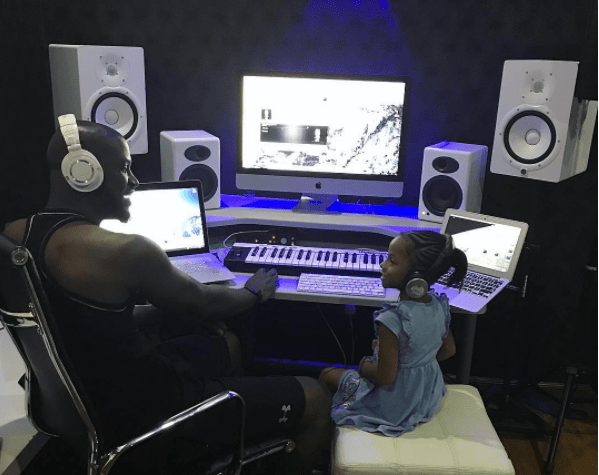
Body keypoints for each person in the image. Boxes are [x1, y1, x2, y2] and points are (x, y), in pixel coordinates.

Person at [1, 117, 330, 474]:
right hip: (148, 419)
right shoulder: (124, 251)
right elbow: (204, 303)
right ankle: (199, 442)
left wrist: (162, 309)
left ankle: (229, 446)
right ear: (84, 172)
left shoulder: (16, 236)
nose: (134, 181)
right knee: (315, 397)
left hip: (93, 403)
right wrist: (253, 292)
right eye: (124, 168)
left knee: (228, 345)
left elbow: (80, 321)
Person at [319, 230, 466, 436]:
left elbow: (385, 376)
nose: (383, 265)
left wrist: (363, 365)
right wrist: (414, 359)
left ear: (416, 275)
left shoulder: (393, 318)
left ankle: (321, 433)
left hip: (396, 404)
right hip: (427, 394)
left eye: (392, 261)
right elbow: (448, 349)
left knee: (327, 374)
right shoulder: (438, 304)